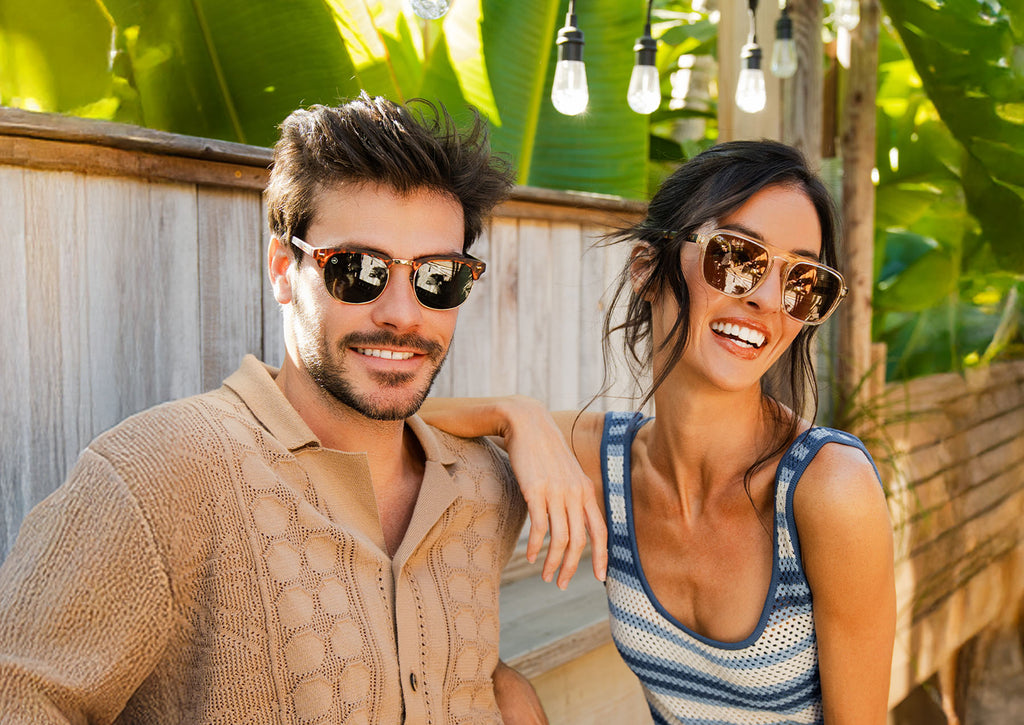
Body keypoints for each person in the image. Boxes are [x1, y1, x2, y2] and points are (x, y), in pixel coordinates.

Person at [0, 93, 599, 724]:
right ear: (284, 269)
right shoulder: (161, 473)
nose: (401, 312)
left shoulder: (483, 485)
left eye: (438, 277)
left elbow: (454, 666)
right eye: (358, 270)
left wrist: (519, 415)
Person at [422, 141, 897, 724]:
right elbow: (389, 414)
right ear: (648, 270)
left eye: (802, 280)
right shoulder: (606, 460)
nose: (769, 300)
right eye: (738, 256)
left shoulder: (828, 489)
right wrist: (515, 414)